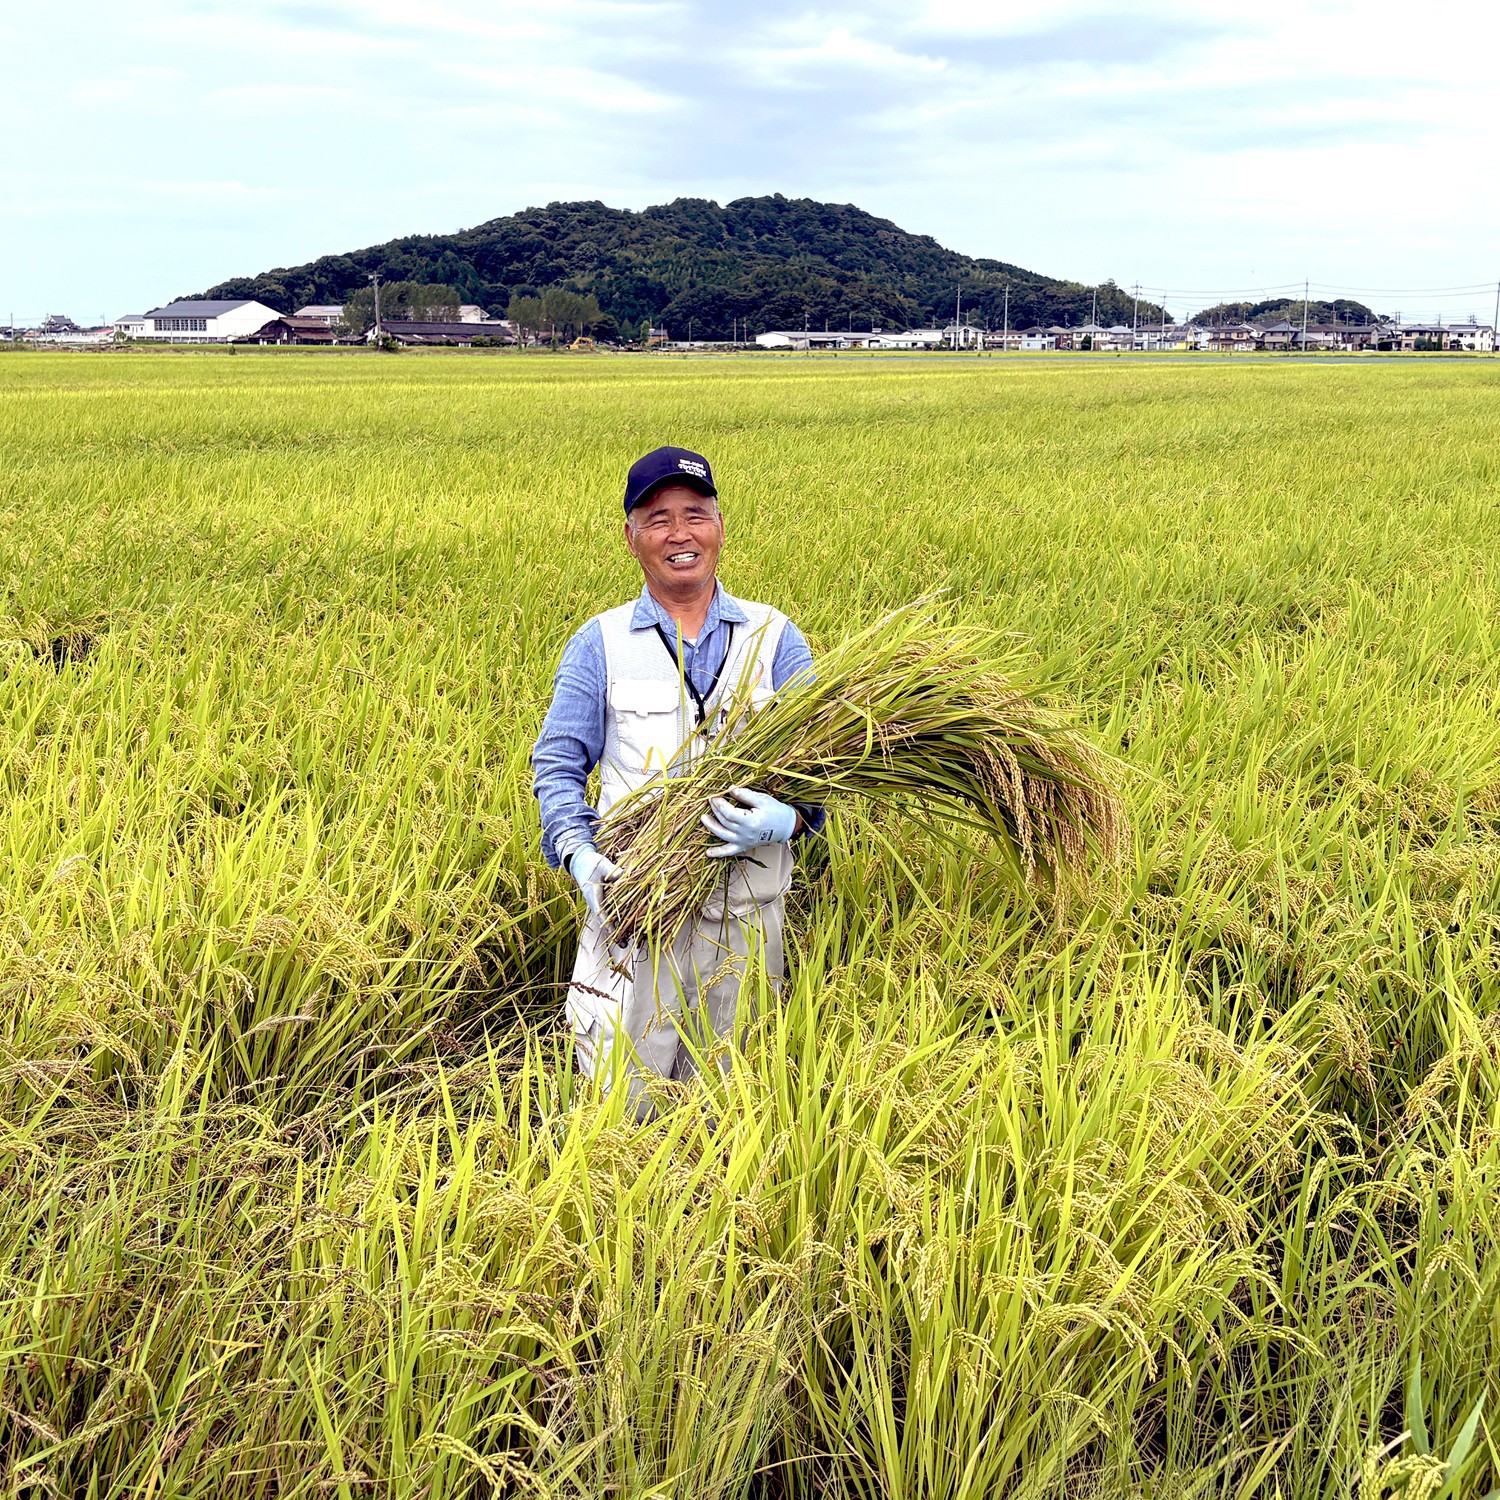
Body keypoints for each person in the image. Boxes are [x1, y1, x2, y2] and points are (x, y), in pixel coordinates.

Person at [531, 445, 822, 1116]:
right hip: (637, 918)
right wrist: (579, 854)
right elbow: (557, 764)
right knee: (622, 1104)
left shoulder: (776, 638)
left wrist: (792, 817)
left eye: (695, 514)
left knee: (735, 1104)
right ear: (630, 536)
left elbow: (823, 765)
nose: (679, 533)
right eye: (658, 519)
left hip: (747, 921)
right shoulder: (600, 643)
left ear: (719, 525)